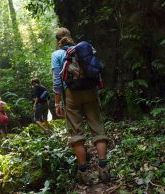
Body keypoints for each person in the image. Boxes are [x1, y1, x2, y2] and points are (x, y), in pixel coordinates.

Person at [51, 27, 110, 185]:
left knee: (77, 133)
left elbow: (57, 81)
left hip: (71, 94)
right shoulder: (85, 48)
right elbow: (96, 69)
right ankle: (103, 169)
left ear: (57, 40)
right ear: (70, 36)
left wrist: (57, 102)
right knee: (97, 128)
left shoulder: (57, 54)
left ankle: (84, 172)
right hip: (91, 90)